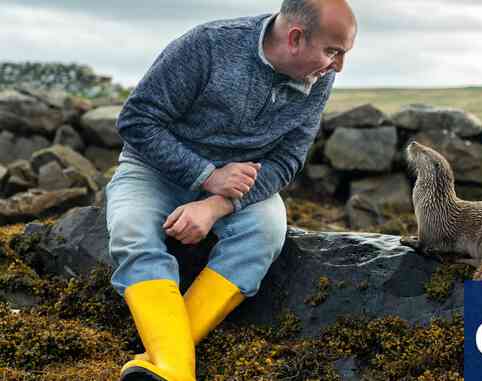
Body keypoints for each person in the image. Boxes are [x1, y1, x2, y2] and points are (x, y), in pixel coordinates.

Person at [105, 1, 357, 379]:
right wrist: (207, 175)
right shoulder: (206, 46)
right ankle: (178, 370)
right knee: (131, 231)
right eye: (333, 52)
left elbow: (288, 161)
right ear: (295, 38)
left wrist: (216, 205)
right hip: (151, 171)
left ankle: (168, 364)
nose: (337, 66)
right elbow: (137, 122)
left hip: (240, 187)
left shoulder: (319, 77)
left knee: (267, 230)